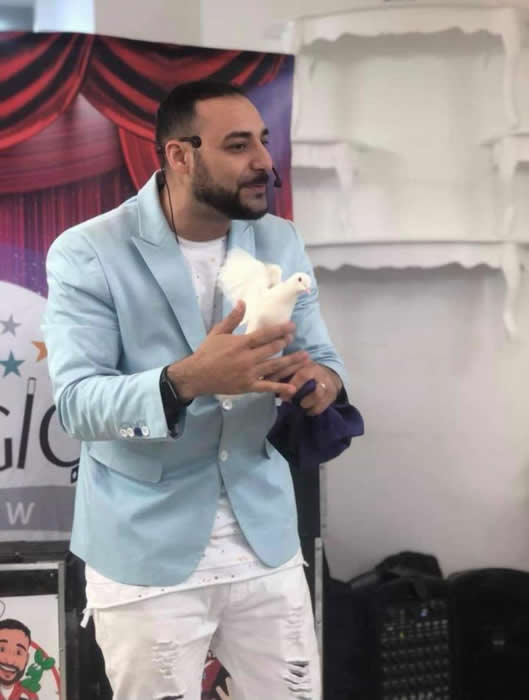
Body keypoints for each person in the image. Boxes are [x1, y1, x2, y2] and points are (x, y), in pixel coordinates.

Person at [43, 80, 347, 700]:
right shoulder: (88, 251)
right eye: (237, 145)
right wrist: (188, 379)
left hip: (266, 541)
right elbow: (77, 405)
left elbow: (322, 357)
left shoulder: (280, 239)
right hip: (144, 551)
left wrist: (320, 382)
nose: (263, 161)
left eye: (263, 141)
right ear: (179, 155)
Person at [0, 619, 38, 700]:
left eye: (18, 652)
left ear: (26, 659)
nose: (10, 661)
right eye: (2, 649)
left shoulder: (30, 696)